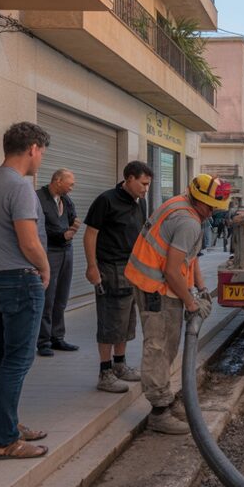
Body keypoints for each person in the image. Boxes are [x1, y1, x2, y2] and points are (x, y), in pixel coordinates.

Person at [0, 122, 51, 459]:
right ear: (33, 148)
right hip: (20, 280)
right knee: (17, 359)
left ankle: (4, 425)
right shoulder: (20, 187)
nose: (41, 159)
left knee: (1, 356)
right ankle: (5, 441)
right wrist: (45, 267)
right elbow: (28, 241)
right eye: (42, 153)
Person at [125, 174, 230, 434]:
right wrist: (191, 303)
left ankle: (166, 399)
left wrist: (201, 288)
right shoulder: (188, 222)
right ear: (199, 200)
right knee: (159, 348)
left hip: (155, 285)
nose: (213, 212)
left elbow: (188, 259)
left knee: (167, 346)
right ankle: (159, 411)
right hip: (156, 289)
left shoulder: (180, 204)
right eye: (211, 207)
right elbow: (172, 271)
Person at [84, 161, 152, 393]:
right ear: (129, 178)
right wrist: (92, 266)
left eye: (148, 185)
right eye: (143, 184)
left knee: (126, 320)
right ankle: (105, 373)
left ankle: (120, 365)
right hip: (110, 268)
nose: (146, 189)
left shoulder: (140, 202)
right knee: (110, 321)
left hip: (132, 269)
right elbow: (90, 234)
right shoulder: (106, 200)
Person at [36, 169, 81, 357]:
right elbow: (38, 227)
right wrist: (62, 234)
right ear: (57, 181)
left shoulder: (65, 199)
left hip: (66, 251)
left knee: (61, 297)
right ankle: (43, 341)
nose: (72, 188)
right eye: (70, 184)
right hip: (49, 251)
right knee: (48, 298)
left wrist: (69, 232)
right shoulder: (38, 198)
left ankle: (57, 337)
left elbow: (73, 219)